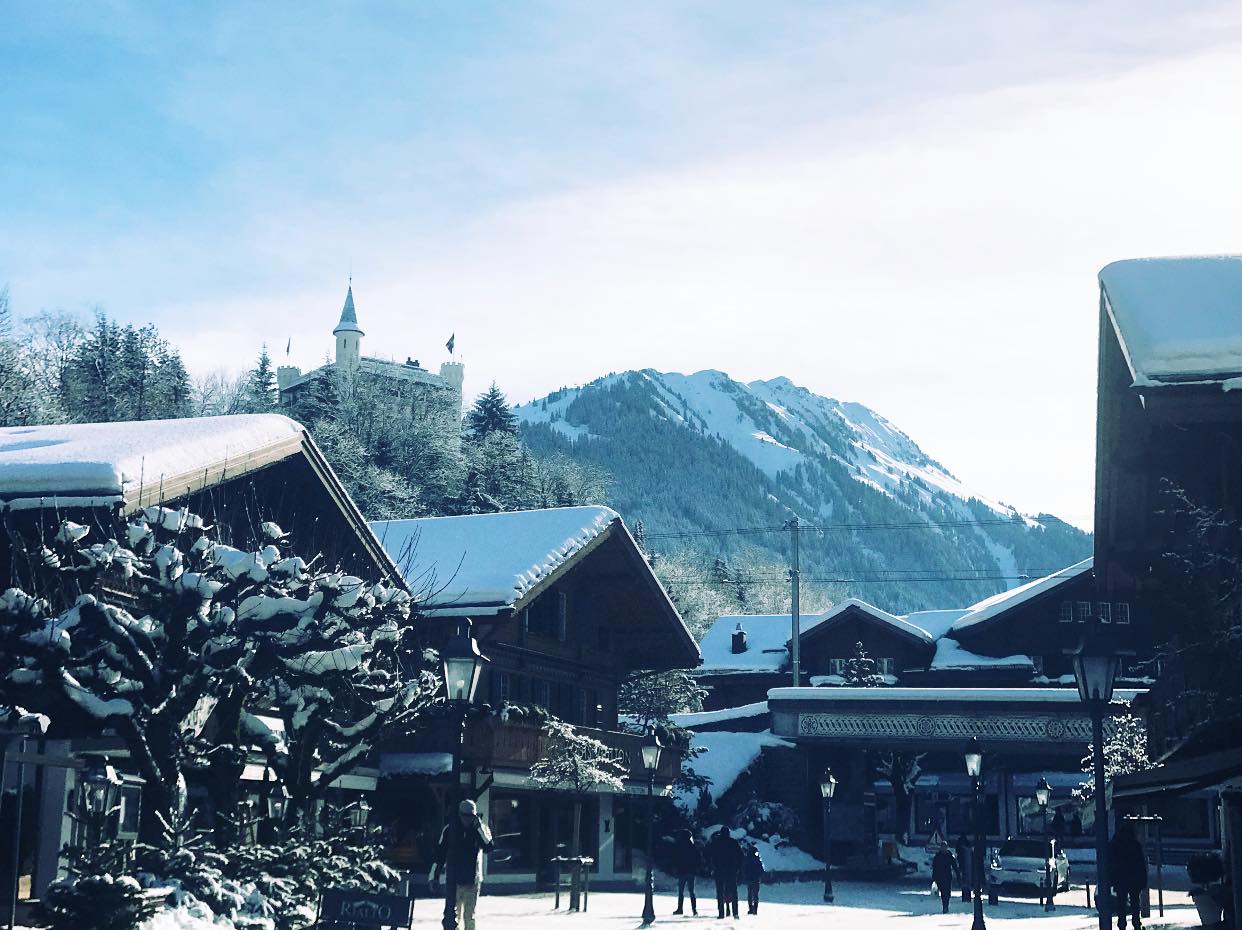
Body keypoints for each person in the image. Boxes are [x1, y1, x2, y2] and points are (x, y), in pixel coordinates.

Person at [431, 799, 495, 930]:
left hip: (473, 880)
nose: (467, 819)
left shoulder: (480, 829)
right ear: (459, 815)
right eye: (465, 816)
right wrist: (434, 877)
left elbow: (489, 847)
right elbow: (440, 855)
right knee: (452, 915)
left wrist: (480, 828)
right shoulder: (450, 830)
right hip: (454, 880)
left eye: (471, 816)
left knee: (469, 916)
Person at [1110, 820, 1149, 930]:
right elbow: (1140, 864)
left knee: (1121, 903)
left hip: (1121, 879)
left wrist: (1112, 879)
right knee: (1135, 902)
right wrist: (1143, 880)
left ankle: (1122, 924)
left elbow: (1112, 863)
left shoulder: (1116, 845)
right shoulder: (1135, 845)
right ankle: (1136, 923)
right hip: (1133, 879)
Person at [707, 827, 742, 920]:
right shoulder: (733, 842)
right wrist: (737, 867)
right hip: (732, 870)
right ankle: (735, 913)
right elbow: (741, 855)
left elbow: (708, 853)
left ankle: (721, 913)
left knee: (720, 892)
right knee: (734, 892)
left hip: (719, 870)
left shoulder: (716, 843)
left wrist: (712, 865)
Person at [671, 829, 701, 916]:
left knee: (681, 891)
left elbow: (676, 858)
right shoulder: (693, 847)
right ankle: (694, 910)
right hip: (691, 871)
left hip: (682, 871)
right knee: (691, 891)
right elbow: (698, 859)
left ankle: (680, 909)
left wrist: (676, 868)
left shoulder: (679, 846)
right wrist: (696, 868)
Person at [932, 846, 959, 914]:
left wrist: (957, 873)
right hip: (940, 877)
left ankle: (946, 905)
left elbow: (954, 865)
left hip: (947, 876)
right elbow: (934, 867)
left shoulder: (949, 855)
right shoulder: (938, 856)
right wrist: (934, 877)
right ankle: (945, 906)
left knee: (947, 892)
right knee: (943, 892)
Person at [741, 842, 765, 915]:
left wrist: (745, 876)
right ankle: (755, 909)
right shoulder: (757, 860)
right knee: (755, 895)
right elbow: (761, 870)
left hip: (749, 879)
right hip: (756, 879)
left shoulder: (747, 860)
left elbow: (744, 869)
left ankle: (751, 908)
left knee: (750, 894)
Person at [955, 834, 972, 903]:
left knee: (962, 872)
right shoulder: (967, 849)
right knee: (965, 873)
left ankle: (963, 884)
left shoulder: (960, 847)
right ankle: (965, 884)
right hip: (964, 861)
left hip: (961, 861)